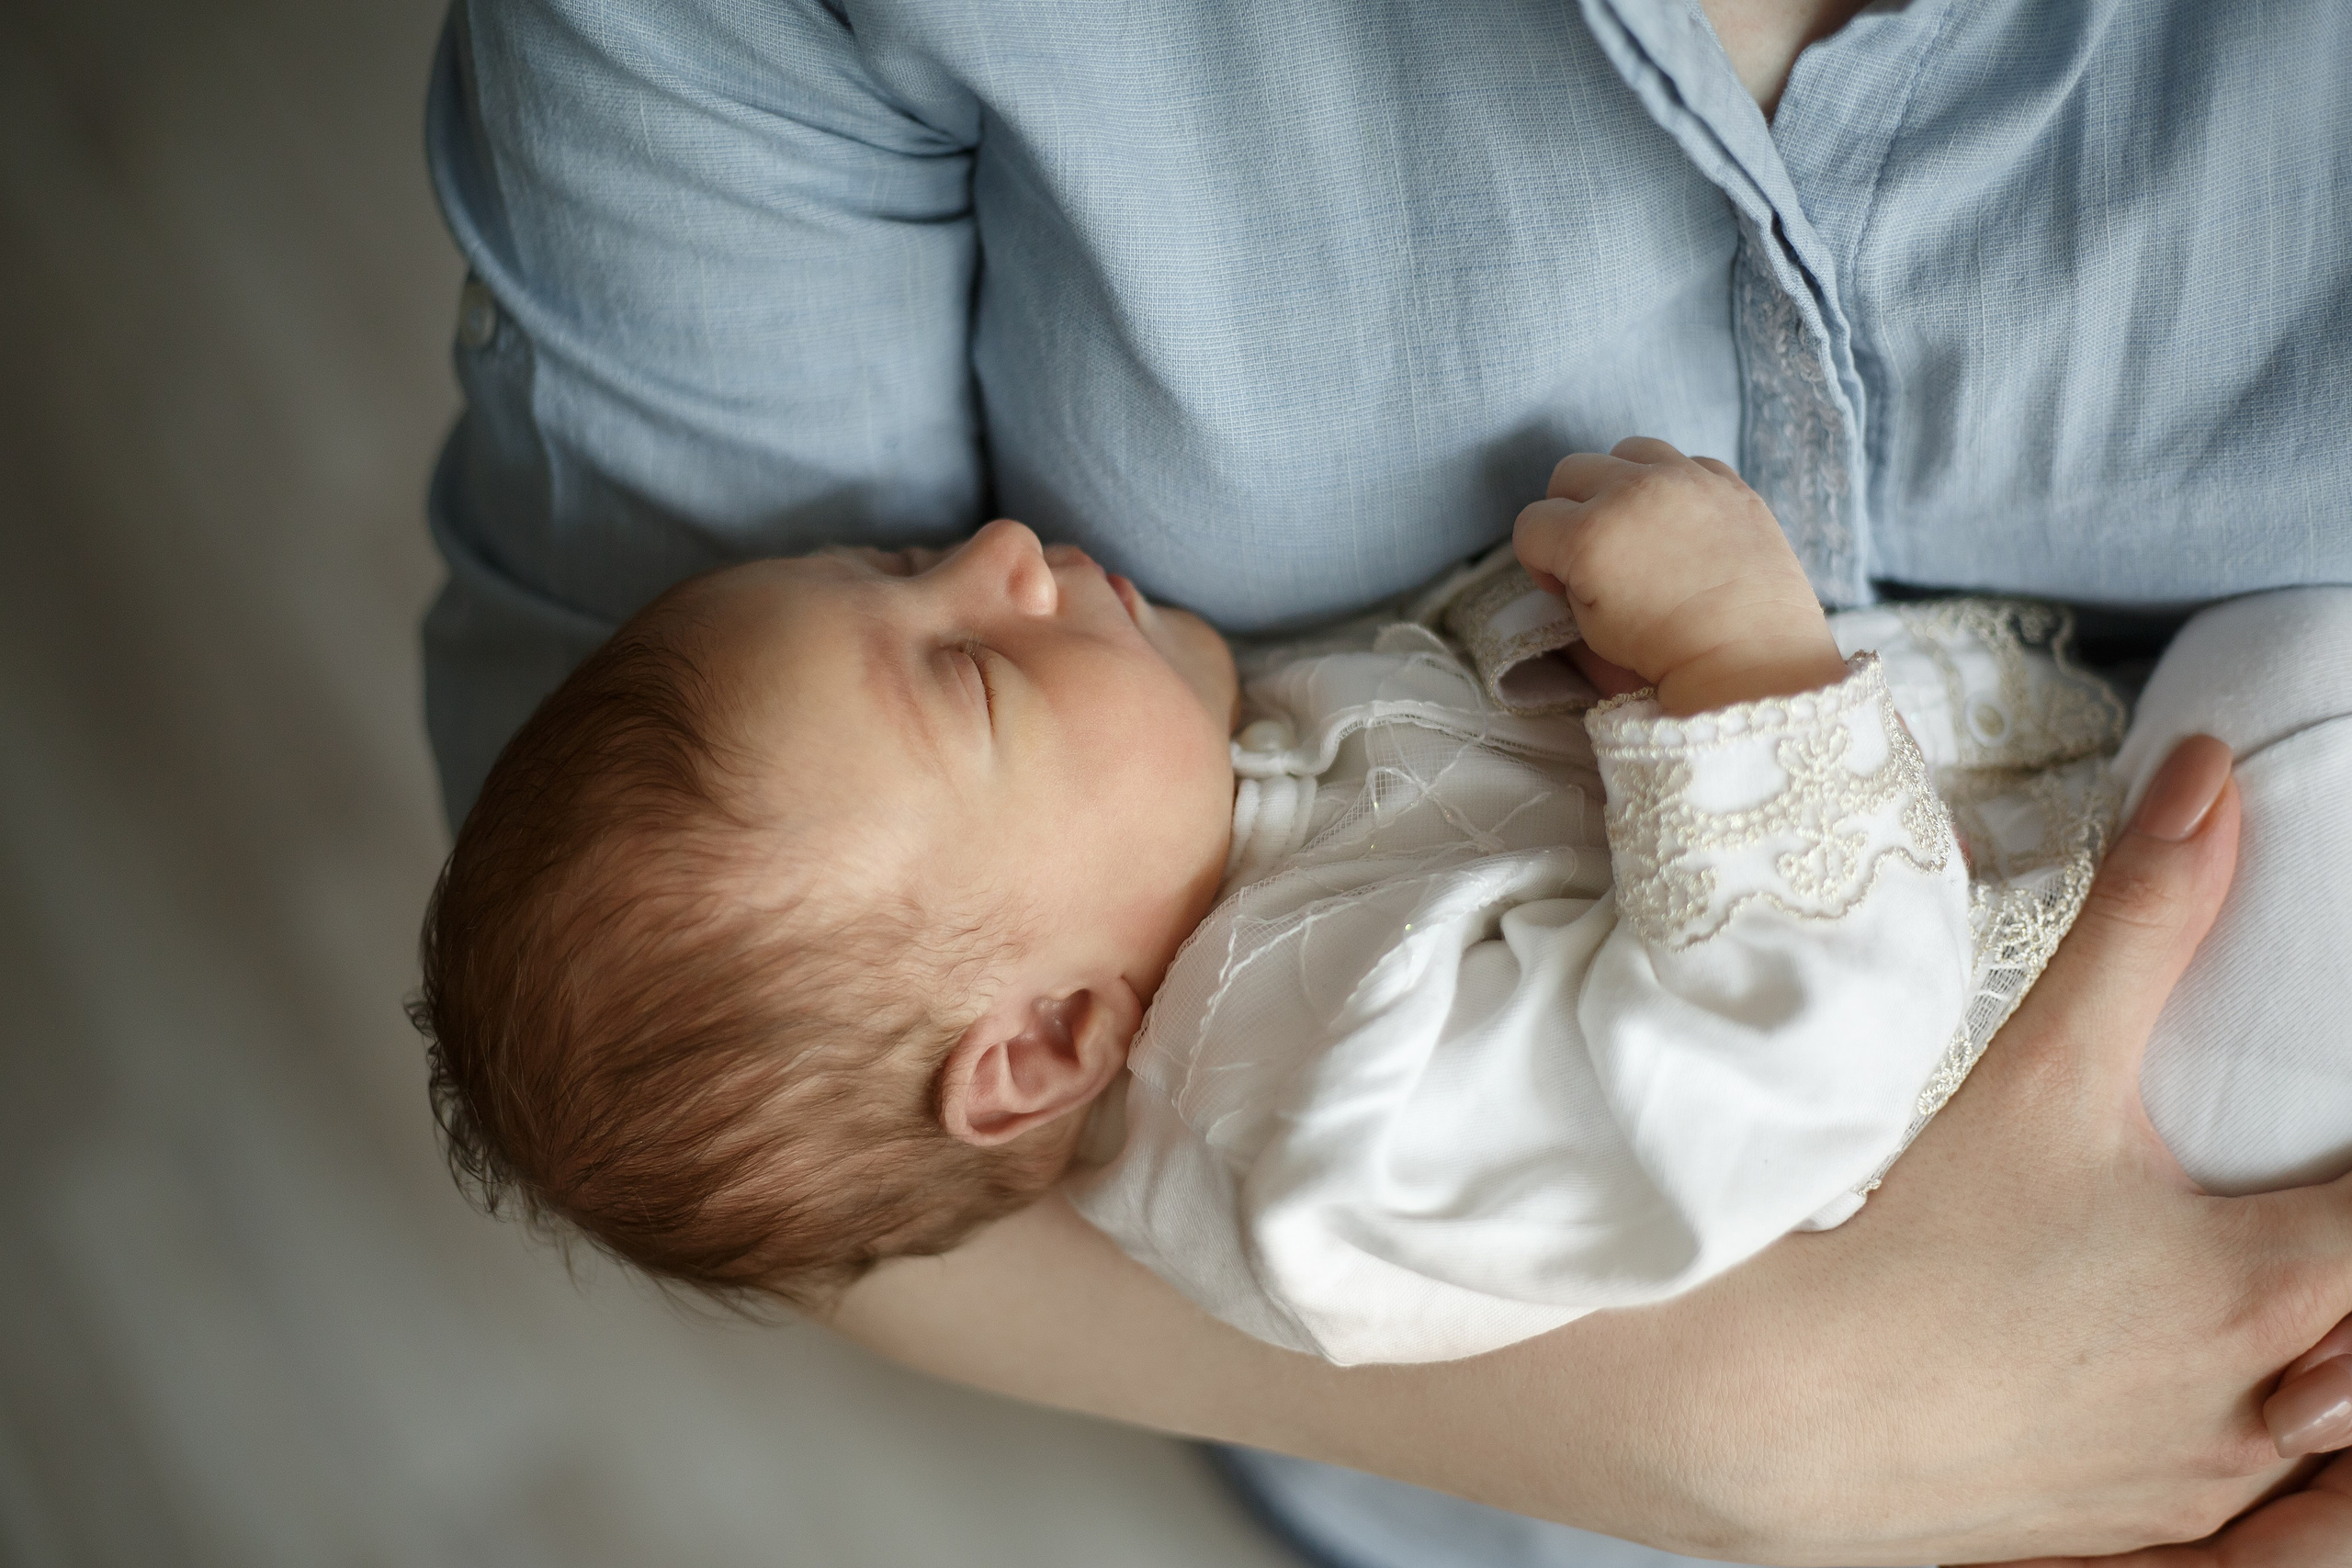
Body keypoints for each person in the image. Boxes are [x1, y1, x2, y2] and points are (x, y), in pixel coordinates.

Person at [417, 0, 2352, 1560]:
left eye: (891, 564)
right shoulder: (1329, 1129)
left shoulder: (1200, 860)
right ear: (1032, 1046)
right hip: (2086, 1103)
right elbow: (1759, 1068)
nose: (995, 556)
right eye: (970, 672)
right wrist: (1736, 673)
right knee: (2298, 696)